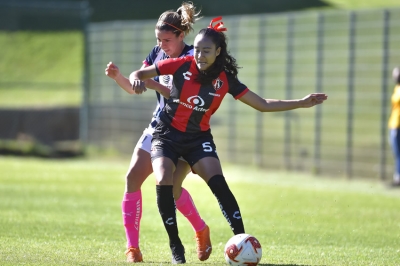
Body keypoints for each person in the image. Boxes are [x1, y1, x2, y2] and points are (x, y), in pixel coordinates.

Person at [127, 16, 328, 264]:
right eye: (198, 50)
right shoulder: (181, 63)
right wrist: (136, 77)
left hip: (198, 138)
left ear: (218, 51)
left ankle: (242, 242)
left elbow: (262, 104)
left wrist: (301, 102)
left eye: (206, 51)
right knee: (164, 179)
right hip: (166, 135)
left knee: (219, 184)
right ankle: (176, 247)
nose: (199, 55)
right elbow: (140, 72)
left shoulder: (225, 79)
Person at [104, 2, 213, 263]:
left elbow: (183, 96)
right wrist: (119, 77)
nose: (162, 44)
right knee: (132, 177)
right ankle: (133, 249)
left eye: (166, 39)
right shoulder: (156, 53)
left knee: (172, 190)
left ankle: (200, 229)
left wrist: (150, 82)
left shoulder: (191, 58)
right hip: (159, 127)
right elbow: (136, 86)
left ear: (180, 35)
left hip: (187, 133)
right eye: (158, 39)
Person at [388, 66, 400, 187]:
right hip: (394, 124)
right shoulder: (397, 88)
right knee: (396, 152)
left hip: (397, 125)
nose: (395, 76)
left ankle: (398, 178)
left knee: (398, 153)